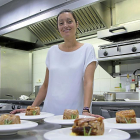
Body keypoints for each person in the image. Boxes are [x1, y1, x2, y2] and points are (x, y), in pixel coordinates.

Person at [10, 9, 102, 118]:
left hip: (75, 114)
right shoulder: (52, 51)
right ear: (58, 28)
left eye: (69, 21)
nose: (65, 25)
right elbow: (45, 85)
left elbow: (88, 82)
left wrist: (86, 110)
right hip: (50, 113)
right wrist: (31, 108)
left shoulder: (87, 49)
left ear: (76, 24)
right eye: (61, 23)